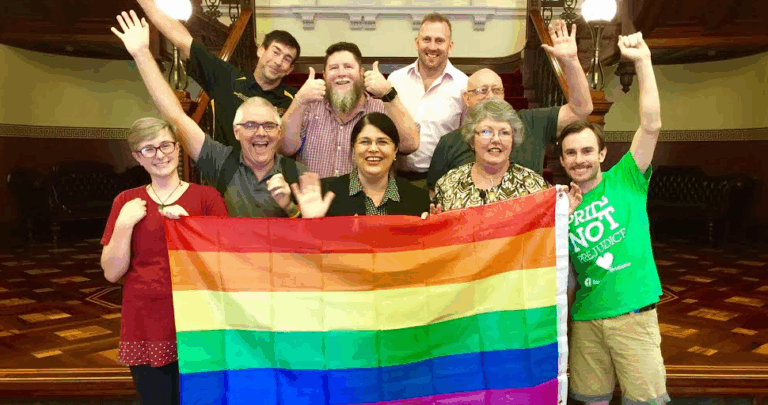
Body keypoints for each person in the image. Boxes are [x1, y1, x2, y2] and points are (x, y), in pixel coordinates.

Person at [558, 33, 668, 405]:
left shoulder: (627, 177)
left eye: (587, 150)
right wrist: (563, 222)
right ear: (562, 161)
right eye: (570, 153)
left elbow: (651, 124)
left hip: (633, 316)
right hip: (586, 321)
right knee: (590, 401)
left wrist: (643, 63)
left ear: (603, 154)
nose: (579, 159)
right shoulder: (560, 204)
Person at [112, 10, 306, 218]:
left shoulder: (297, 173)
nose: (260, 132)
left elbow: (315, 236)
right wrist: (141, 53)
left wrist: (290, 208)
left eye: (269, 125)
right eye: (250, 125)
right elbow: (175, 115)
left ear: (279, 132)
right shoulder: (220, 161)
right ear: (236, 131)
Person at [100, 117, 228, 405]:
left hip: (199, 320)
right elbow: (111, 272)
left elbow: (225, 266)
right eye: (148, 149)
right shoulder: (126, 201)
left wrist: (191, 227)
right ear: (137, 157)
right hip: (146, 322)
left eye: (165, 145)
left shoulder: (207, 198)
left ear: (178, 147)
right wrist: (123, 225)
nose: (160, 155)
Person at [427, 20, 593, 191]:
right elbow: (435, 194)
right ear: (467, 98)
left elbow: (581, 109)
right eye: (482, 90)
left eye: (496, 90)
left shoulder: (532, 122)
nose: (490, 96)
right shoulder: (449, 143)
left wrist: (571, 62)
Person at [135, 0, 301, 149]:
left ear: (290, 69)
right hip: (224, 176)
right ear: (260, 50)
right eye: (275, 52)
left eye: (287, 58)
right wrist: (146, 3)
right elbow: (183, 40)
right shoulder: (226, 78)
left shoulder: (295, 101)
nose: (278, 61)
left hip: (271, 180)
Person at [280, 42, 420, 178]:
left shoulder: (382, 108)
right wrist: (299, 100)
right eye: (334, 68)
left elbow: (410, 145)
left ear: (361, 73)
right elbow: (285, 148)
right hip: (314, 199)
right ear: (324, 76)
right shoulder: (309, 108)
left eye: (348, 67)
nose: (341, 73)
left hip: (365, 200)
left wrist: (388, 92)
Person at [286, 113, 429, 218]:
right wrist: (310, 221)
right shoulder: (325, 193)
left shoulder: (417, 198)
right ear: (353, 149)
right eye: (365, 142)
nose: (373, 149)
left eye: (382, 142)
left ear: (395, 150)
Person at [388, 13, 468, 187]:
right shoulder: (395, 80)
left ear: (450, 45)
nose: (432, 47)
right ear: (417, 42)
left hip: (444, 182)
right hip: (395, 179)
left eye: (439, 41)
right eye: (426, 39)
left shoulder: (463, 85)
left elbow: (467, 138)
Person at [433, 98, 551, 211]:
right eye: (486, 132)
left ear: (513, 140)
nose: (496, 139)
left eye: (504, 133)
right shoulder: (448, 184)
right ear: (472, 139)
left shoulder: (534, 186)